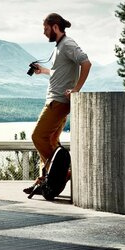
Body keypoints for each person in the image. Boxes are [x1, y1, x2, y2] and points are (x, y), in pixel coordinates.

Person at [25, 13, 91, 192]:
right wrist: (44, 71)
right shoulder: (59, 47)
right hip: (56, 101)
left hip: (58, 102)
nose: (44, 33)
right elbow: (59, 72)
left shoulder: (68, 44)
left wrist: (76, 89)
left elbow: (86, 63)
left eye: (46, 29)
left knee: (38, 136)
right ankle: (47, 180)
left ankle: (60, 174)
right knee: (51, 141)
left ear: (55, 27)